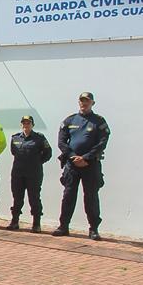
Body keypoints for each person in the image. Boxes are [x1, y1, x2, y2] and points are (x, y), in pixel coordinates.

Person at [54, 91, 110, 240]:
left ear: (92, 103)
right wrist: (73, 157)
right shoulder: (69, 120)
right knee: (68, 196)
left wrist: (86, 157)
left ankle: (93, 229)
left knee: (91, 197)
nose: (84, 103)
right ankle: (63, 226)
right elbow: (61, 142)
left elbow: (102, 142)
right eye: (81, 100)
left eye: (87, 101)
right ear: (78, 102)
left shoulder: (99, 121)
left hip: (90, 165)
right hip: (72, 165)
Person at [9, 115, 52, 232]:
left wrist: (37, 162)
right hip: (18, 173)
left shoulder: (39, 138)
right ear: (21, 124)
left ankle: (36, 224)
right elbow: (14, 152)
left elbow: (48, 153)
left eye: (28, 123)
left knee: (34, 198)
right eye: (24, 123)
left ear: (32, 125)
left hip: (34, 173)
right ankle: (14, 222)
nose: (26, 125)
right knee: (17, 197)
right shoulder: (15, 138)